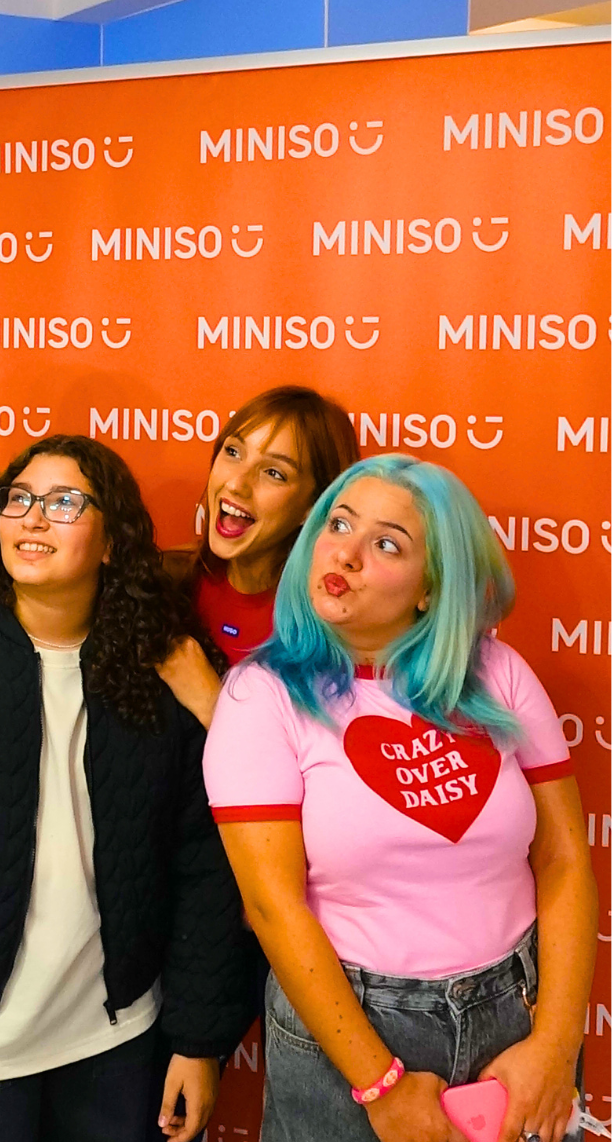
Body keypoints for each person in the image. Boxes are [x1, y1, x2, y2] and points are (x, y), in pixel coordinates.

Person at [0, 435, 255, 1142]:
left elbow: (203, 864)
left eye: (64, 502)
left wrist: (198, 1039)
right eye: (19, 498)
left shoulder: (158, 664)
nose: (32, 517)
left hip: (120, 1041)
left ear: (112, 542)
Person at [203, 454, 597, 1142]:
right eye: (338, 525)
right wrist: (379, 1084)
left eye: (386, 544)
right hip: (351, 1031)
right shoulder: (259, 696)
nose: (346, 554)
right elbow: (272, 907)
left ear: (431, 588)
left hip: (516, 1012)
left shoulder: (497, 673)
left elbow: (564, 861)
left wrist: (556, 1043)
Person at [159, 385, 358, 727]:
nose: (237, 484)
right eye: (233, 452)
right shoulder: (166, 582)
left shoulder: (330, 627)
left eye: (274, 473)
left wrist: (210, 702)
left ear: (314, 506)